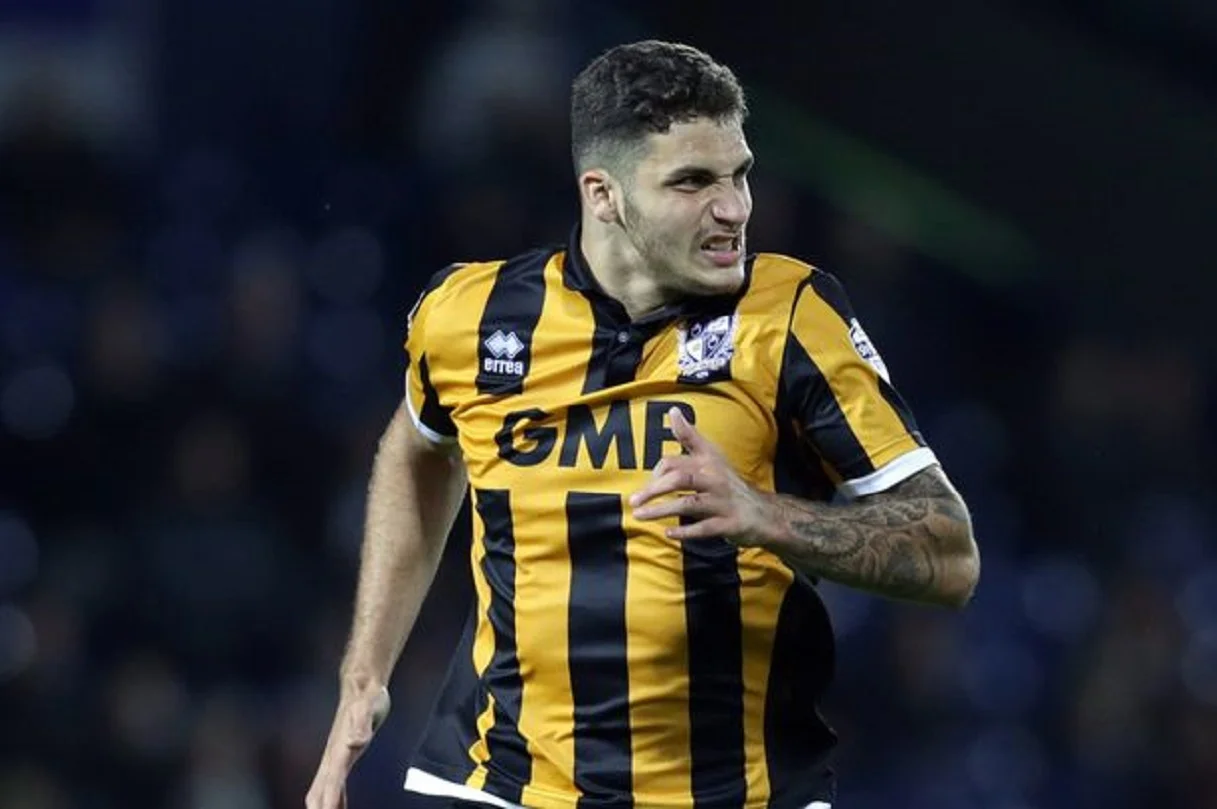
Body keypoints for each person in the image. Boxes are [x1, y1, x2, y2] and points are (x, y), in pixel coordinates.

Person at [306, 40, 980, 809]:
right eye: (692, 182)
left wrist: (766, 517)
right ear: (603, 195)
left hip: (735, 790)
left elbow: (949, 551)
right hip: (500, 780)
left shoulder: (790, 317)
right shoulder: (470, 315)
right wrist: (365, 670)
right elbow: (419, 448)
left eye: (739, 174)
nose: (734, 208)